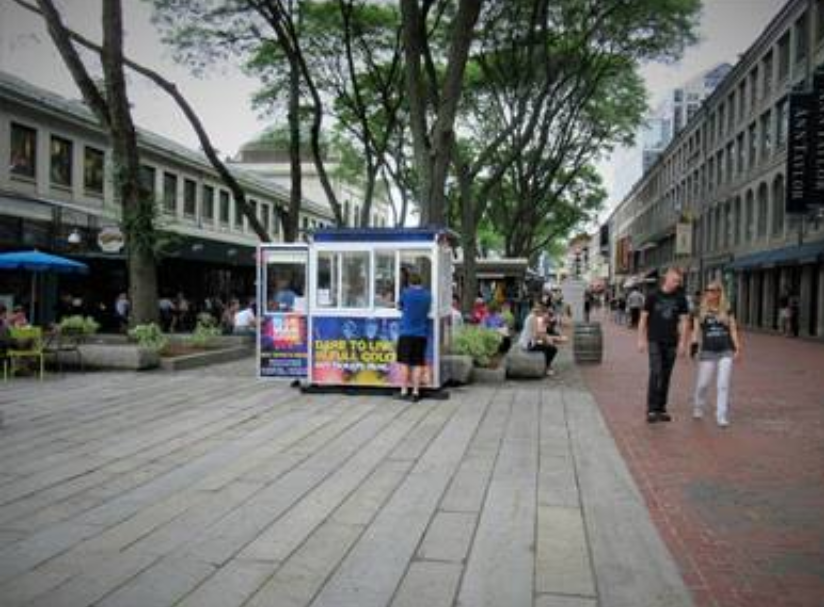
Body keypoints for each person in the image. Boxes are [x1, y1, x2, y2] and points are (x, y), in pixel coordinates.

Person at [637, 267, 690, 423]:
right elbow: (643, 318)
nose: (677, 283)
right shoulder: (653, 295)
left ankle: (661, 408)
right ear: (667, 278)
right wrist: (641, 339)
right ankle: (652, 409)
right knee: (656, 371)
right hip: (654, 340)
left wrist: (682, 343)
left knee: (666, 375)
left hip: (672, 341)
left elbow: (684, 321)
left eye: (679, 281)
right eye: (675, 280)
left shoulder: (681, 298)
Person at [690, 281, 741, 428]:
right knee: (703, 384)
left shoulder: (727, 309)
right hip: (708, 350)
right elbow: (696, 331)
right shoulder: (700, 310)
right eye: (708, 290)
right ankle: (698, 406)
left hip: (726, 349)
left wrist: (738, 348)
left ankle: (721, 415)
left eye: (713, 291)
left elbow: (733, 330)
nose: (709, 293)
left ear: (719, 293)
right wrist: (694, 346)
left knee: (723, 383)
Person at [396, 272, 432, 402]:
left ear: (410, 283)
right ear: (420, 282)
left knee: (405, 363)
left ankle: (404, 390)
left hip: (406, 332)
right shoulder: (428, 295)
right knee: (418, 363)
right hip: (421, 334)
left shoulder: (406, 293)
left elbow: (399, 306)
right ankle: (416, 392)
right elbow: (427, 310)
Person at [517, 304, 561, 376]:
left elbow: (539, 334)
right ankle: (546, 367)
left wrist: (548, 338)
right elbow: (536, 335)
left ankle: (547, 366)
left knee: (548, 346)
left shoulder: (532, 317)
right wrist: (550, 339)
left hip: (527, 342)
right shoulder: (534, 318)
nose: (543, 315)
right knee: (553, 349)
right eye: (543, 313)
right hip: (528, 344)